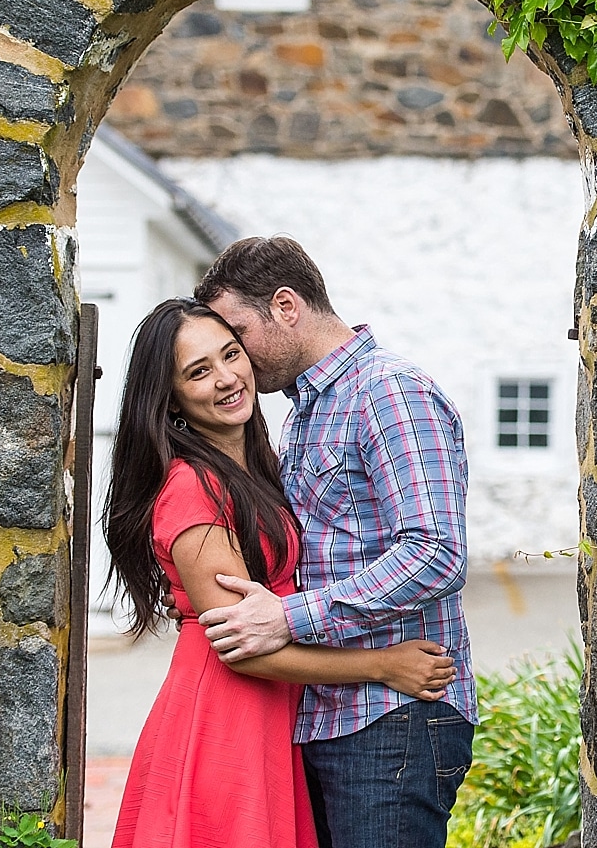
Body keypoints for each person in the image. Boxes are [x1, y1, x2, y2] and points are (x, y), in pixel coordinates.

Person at [103, 298, 458, 848]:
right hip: (227, 716)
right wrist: (385, 665)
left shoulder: (258, 464)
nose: (226, 378)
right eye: (199, 371)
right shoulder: (193, 488)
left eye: (230, 354)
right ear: (171, 400)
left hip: (276, 712)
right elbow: (247, 646)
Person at [188, 236, 478, 848]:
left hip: (393, 717)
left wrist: (288, 617)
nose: (237, 359)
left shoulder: (389, 393)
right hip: (332, 714)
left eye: (239, 333)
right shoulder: (309, 409)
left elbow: (436, 553)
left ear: (286, 306)